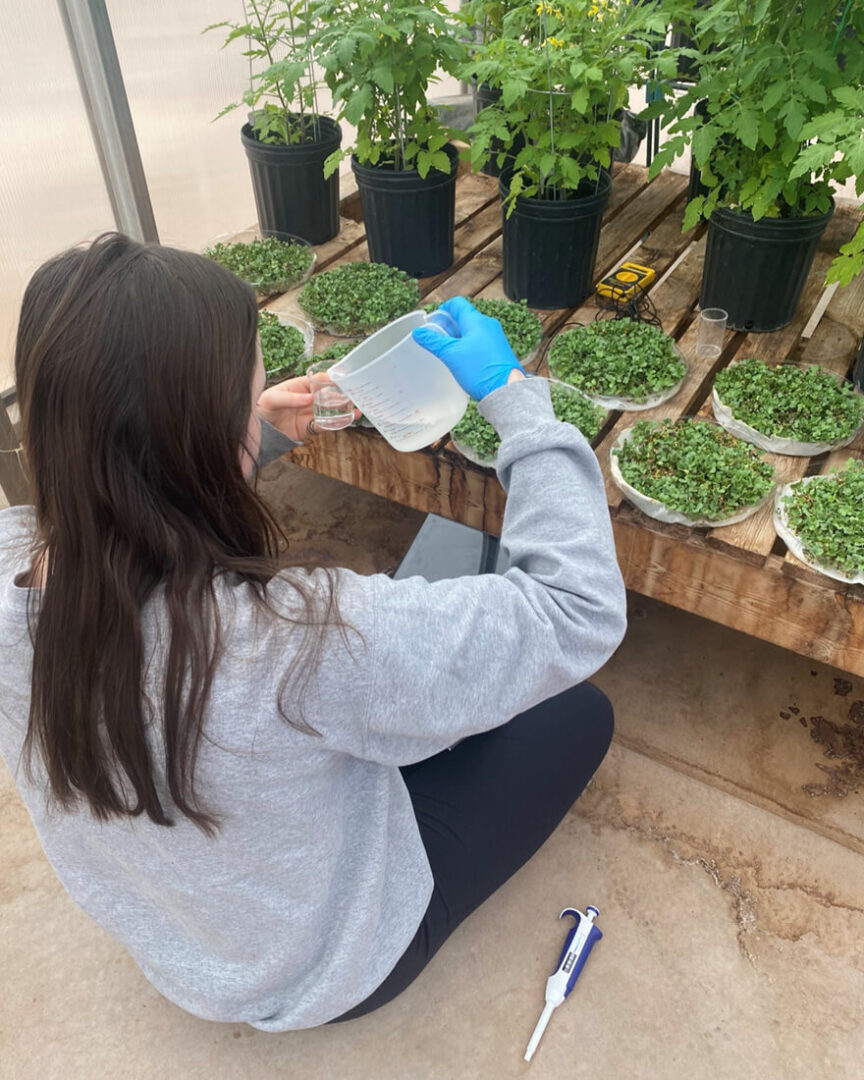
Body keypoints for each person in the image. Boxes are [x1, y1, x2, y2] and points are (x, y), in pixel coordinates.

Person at [0, 233, 626, 1030]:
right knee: (577, 714)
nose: (263, 399)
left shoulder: (10, 568)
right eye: (249, 394)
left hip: (177, 948)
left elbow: (128, 485)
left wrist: (255, 436)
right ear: (199, 438)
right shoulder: (299, 638)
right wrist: (517, 403)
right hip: (328, 970)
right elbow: (576, 608)